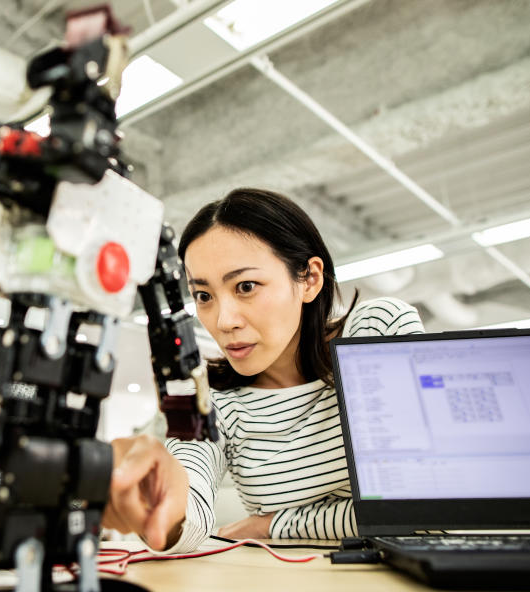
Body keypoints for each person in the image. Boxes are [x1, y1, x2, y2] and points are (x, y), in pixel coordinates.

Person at [104, 188, 424, 553]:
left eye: (246, 286)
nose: (223, 321)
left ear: (309, 279)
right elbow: (188, 516)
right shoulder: (215, 400)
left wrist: (274, 524)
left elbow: (426, 501)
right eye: (204, 296)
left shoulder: (376, 329)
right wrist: (162, 502)